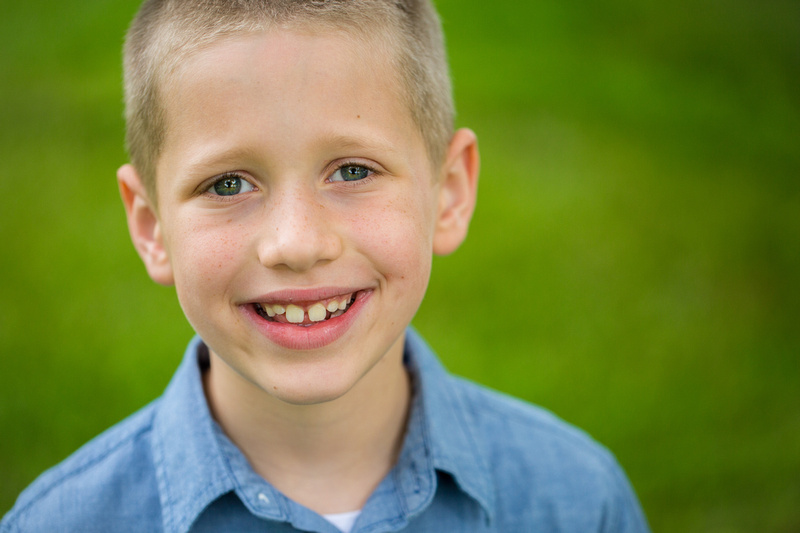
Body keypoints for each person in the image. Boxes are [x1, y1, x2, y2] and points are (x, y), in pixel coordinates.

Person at [1, 1, 650, 531]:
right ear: (151, 227)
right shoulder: (60, 522)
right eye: (229, 184)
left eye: (353, 171)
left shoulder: (575, 501)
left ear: (448, 191)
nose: (296, 242)